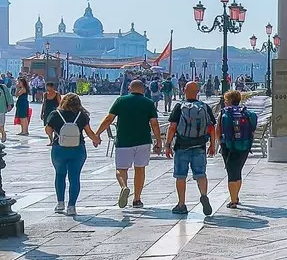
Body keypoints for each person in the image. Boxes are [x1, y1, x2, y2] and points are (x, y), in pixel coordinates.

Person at [96, 78, 162, 210]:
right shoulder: (148, 103)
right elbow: (154, 123)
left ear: (129, 89)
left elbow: (109, 118)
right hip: (143, 140)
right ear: (143, 89)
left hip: (124, 140)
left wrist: (97, 134)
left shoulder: (121, 100)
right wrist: (158, 141)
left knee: (121, 169)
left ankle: (124, 187)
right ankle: (137, 199)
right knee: (140, 169)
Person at [44, 92, 99, 214]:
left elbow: (48, 130)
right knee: (74, 177)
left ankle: (60, 203)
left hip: (59, 149)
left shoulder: (55, 114)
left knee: (60, 175)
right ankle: (71, 206)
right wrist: (96, 140)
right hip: (78, 149)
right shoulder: (82, 115)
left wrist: (52, 134)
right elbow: (89, 132)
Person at [167, 79, 215, 216]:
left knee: (181, 176)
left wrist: (168, 145)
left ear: (184, 91)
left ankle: (181, 204)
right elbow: (212, 128)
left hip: (182, 145)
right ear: (198, 92)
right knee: (201, 174)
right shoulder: (204, 107)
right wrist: (212, 144)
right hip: (200, 145)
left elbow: (172, 127)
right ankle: (204, 195)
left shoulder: (179, 107)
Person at [216, 88, 257, 210]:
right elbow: (253, 130)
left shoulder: (224, 113)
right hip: (244, 146)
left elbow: (218, 130)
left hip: (228, 146)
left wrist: (218, 143)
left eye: (225, 99)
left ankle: (233, 201)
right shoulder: (247, 113)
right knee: (238, 171)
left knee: (231, 173)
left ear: (229, 100)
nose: (224, 102)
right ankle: (236, 196)